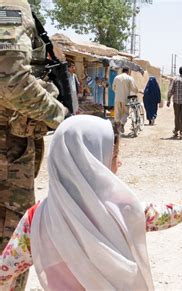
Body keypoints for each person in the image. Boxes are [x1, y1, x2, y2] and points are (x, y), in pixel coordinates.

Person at [0, 115, 182, 289]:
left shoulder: (36, 220)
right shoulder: (123, 209)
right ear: (92, 162)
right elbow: (170, 215)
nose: (119, 163)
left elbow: (5, 271)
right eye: (113, 156)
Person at [0, 0, 67, 288]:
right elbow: (11, 81)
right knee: (12, 243)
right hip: (7, 151)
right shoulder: (10, 6)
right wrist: (60, 115)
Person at [113, 67, 138, 133]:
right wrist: (137, 91)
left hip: (117, 98)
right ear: (128, 71)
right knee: (126, 113)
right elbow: (134, 89)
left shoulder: (116, 78)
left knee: (118, 113)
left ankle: (116, 127)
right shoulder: (129, 78)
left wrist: (118, 92)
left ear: (122, 71)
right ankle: (122, 124)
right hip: (125, 99)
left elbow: (113, 88)